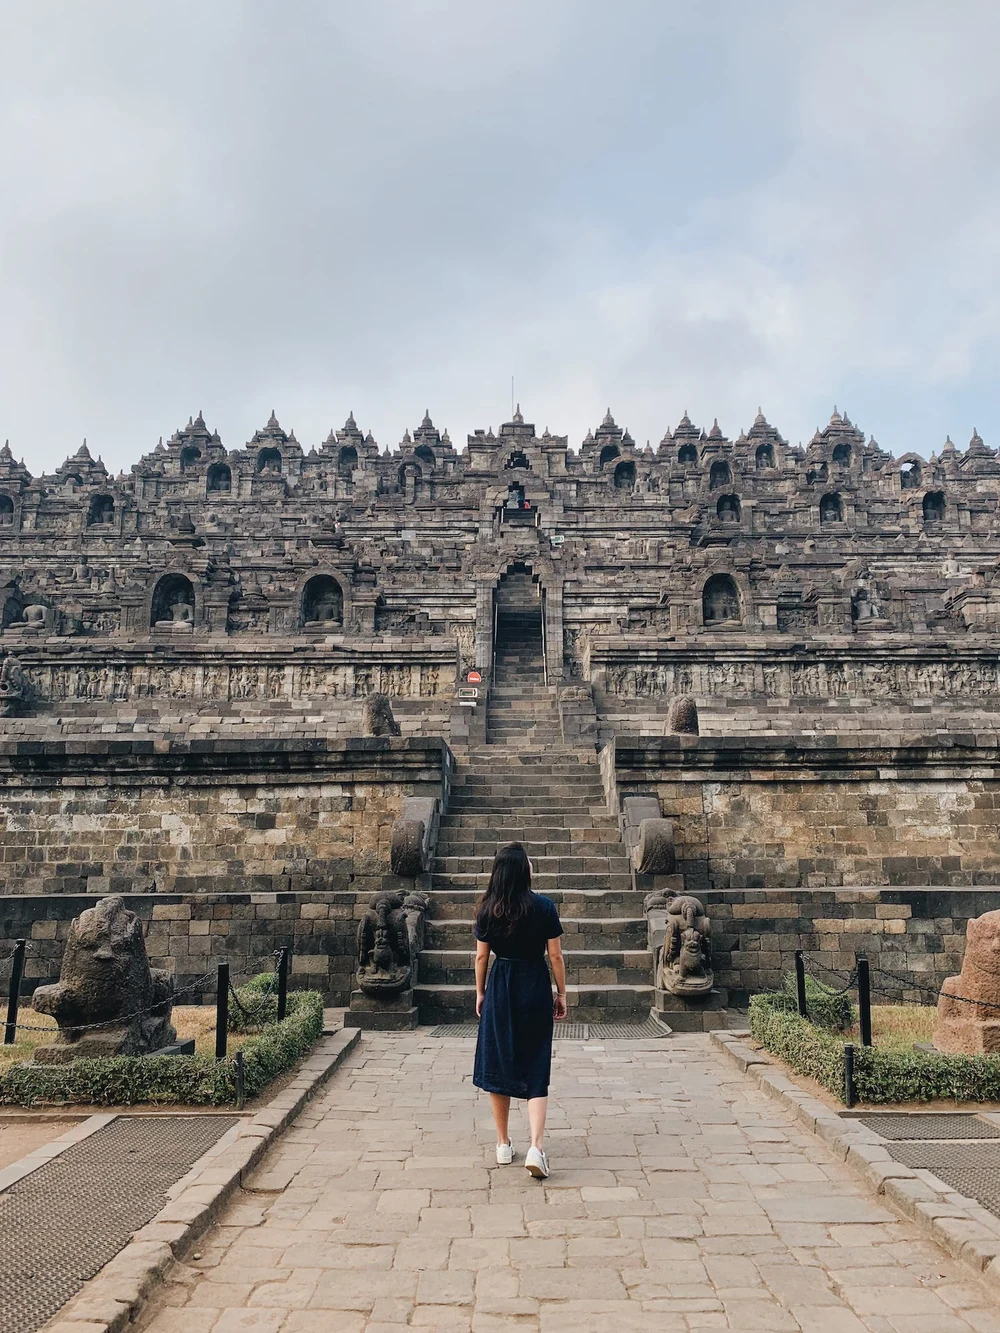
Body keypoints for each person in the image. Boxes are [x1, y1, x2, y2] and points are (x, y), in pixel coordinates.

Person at [473, 842, 567, 1179]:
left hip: (501, 982)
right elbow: (555, 956)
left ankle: (502, 1143)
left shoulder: (488, 909)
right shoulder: (543, 907)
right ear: (524, 870)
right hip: (533, 982)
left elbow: (482, 957)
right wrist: (562, 993)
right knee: (536, 1061)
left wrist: (481, 993)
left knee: (499, 1058)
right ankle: (536, 1147)